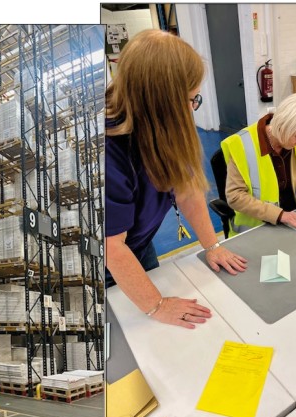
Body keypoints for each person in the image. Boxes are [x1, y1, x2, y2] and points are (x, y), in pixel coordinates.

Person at [104, 30, 247, 330]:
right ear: (163, 103)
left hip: (139, 245)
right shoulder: (108, 154)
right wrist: (155, 304)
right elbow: (111, 248)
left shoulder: (166, 124)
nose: (194, 107)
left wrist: (212, 247)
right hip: (104, 266)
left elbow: (188, 190)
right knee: (132, 334)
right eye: (192, 99)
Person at [223, 93, 296, 233]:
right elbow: (235, 196)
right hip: (255, 230)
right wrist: (279, 215)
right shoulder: (242, 145)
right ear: (282, 126)